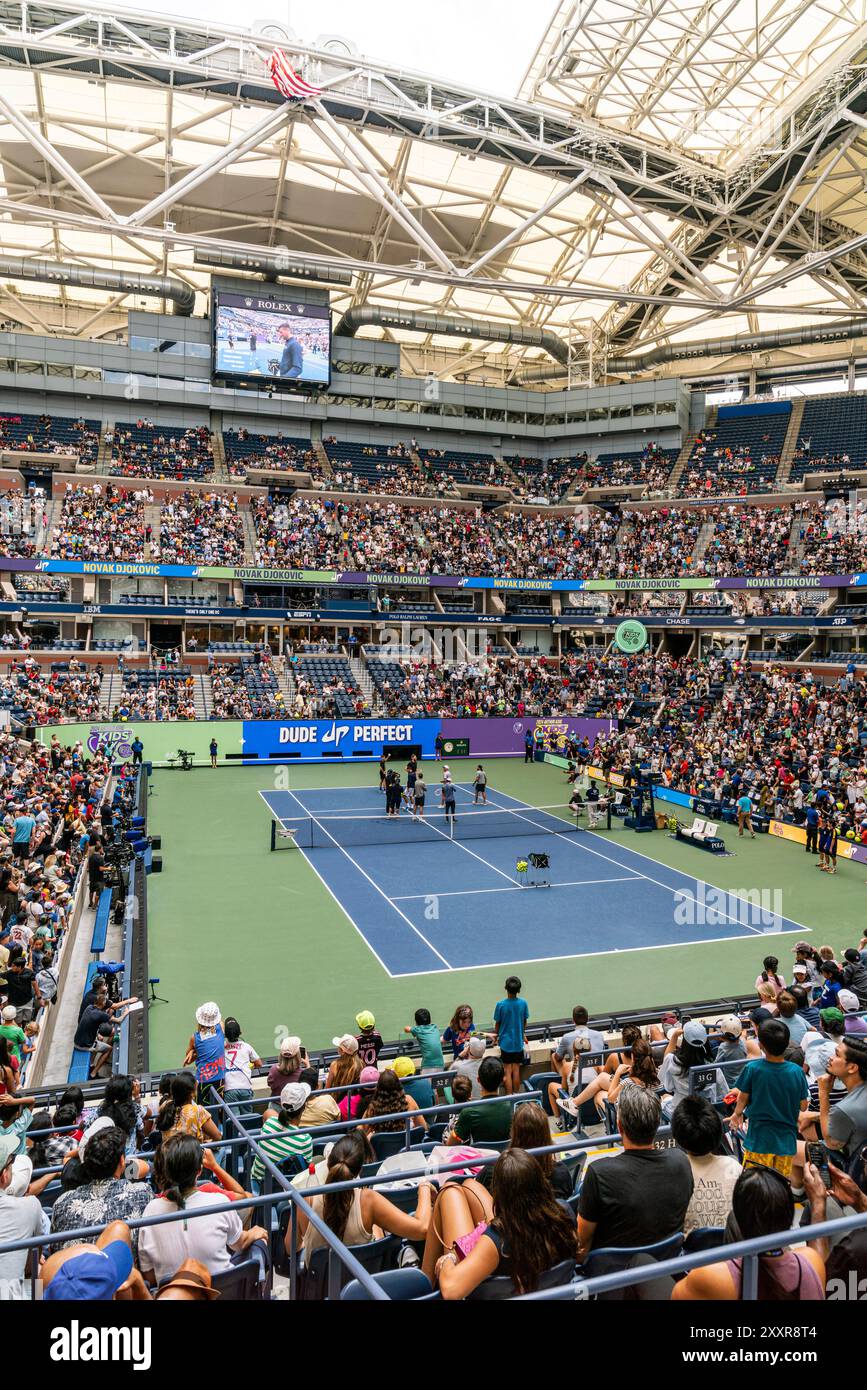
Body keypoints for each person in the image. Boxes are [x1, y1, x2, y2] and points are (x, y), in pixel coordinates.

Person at [423, 1148, 576, 1298]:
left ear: (499, 1193)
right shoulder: (564, 1212)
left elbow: (451, 1290)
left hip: (495, 1282)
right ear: (541, 1182)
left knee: (449, 1191)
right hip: (549, 1290)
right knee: (470, 1184)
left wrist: (449, 1259)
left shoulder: (496, 1242)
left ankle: (424, 1290)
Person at [672, 1167, 824, 1300]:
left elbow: (675, 1295)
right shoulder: (811, 1262)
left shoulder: (712, 1277)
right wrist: (818, 1202)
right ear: (789, 1218)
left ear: (740, 1223)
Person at [577, 1088, 693, 1262]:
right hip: (667, 1268)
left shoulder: (599, 1173)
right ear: (658, 1123)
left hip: (612, 1278)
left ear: (619, 1126)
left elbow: (581, 1241)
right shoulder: (681, 1160)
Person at [139, 1135, 269, 1286]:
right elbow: (239, 1244)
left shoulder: (150, 1211)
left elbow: (149, 1276)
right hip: (223, 1293)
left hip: (173, 1292)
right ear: (199, 1170)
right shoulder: (218, 1202)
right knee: (260, 1241)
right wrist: (254, 1233)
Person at [294, 1132, 434, 1259]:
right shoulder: (369, 1200)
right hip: (361, 1285)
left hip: (318, 1286)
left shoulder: (306, 1201)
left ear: (328, 1163)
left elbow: (291, 1248)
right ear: (360, 1170)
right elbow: (421, 1229)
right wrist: (424, 1186)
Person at [49, 1126, 152, 1253]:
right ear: (122, 1161)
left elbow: (54, 1249)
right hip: (123, 1271)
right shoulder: (142, 1193)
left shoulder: (61, 1202)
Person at [730, 1018, 809, 1178]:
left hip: (758, 1140)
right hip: (786, 1142)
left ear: (761, 1045)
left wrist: (737, 1114)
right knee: (780, 1182)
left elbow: (743, 1098)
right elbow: (803, 1106)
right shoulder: (796, 1071)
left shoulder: (752, 1068)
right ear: (786, 1043)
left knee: (756, 1182)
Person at [671, 1095, 742, 1235]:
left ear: (678, 1134)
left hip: (690, 1254)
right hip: (732, 1251)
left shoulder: (672, 1173)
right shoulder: (734, 1167)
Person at [0, 1130, 44, 1299]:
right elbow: (33, 1261)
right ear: (4, 1175)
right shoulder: (30, 1205)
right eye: (11, 1162)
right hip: (10, 1294)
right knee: (36, 1281)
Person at [251, 1083, 314, 1187]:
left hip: (257, 1184)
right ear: (304, 1107)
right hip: (286, 1189)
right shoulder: (305, 1139)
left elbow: (269, 1113)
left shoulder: (269, 1124)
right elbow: (305, 1174)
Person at [659, 1021, 726, 1116]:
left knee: (665, 1097)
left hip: (680, 1114)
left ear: (684, 1042)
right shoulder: (714, 1069)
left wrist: (674, 1037)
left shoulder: (671, 1061)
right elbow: (722, 1094)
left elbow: (668, 1087)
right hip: (706, 1114)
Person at [819, 1035, 867, 1161]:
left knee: (797, 1149)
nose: (831, 1058)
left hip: (857, 1166)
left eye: (837, 1055)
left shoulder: (844, 1108)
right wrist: (812, 1116)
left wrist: (823, 1093)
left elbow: (831, 1143)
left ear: (852, 1068)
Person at [448, 1056, 512, 1144]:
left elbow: (451, 1143)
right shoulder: (513, 1107)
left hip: (482, 1157)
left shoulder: (468, 1112)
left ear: (478, 1080)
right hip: (506, 1156)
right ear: (502, 1081)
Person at [183, 1002, 226, 1107]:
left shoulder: (194, 1038)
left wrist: (194, 1051)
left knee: (203, 1110)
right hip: (220, 1078)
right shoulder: (221, 1027)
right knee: (219, 1108)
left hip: (203, 1081)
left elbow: (187, 1060)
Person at [493, 975, 529, 1095]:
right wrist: (521, 1033)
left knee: (507, 1071)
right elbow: (524, 1022)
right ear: (518, 990)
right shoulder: (523, 1003)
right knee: (516, 1070)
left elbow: (498, 1024)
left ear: (505, 988)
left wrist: (496, 1036)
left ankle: (509, 1097)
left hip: (505, 1044)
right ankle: (516, 1095)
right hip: (518, 1043)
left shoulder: (500, 1005)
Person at [223, 1016, 262, 1114]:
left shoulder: (221, 1047)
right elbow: (259, 1063)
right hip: (245, 1086)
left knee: (234, 1120)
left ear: (225, 1035)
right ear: (240, 1032)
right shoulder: (246, 1046)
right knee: (247, 1117)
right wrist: (247, 1066)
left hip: (229, 1088)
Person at [404, 1007, 445, 1072]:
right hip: (441, 1064)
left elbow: (406, 1029)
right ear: (430, 1020)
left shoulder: (418, 1029)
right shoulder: (435, 1027)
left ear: (416, 1022)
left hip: (428, 1066)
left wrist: (414, 1028)